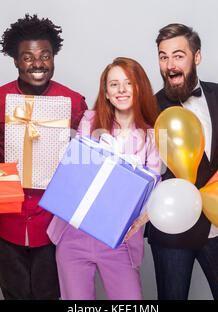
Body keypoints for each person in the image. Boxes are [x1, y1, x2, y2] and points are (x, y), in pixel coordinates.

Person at [0, 14, 88, 300]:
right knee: (14, 295)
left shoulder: (73, 102)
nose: (38, 63)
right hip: (7, 219)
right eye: (27, 57)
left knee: (49, 295)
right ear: (16, 61)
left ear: (54, 57)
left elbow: (86, 158)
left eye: (45, 55)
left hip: (53, 221)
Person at [46, 57, 160, 299]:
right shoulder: (90, 120)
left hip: (121, 240)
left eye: (128, 83)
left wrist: (138, 220)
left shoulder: (154, 135)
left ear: (140, 88)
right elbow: (78, 174)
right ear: (106, 93)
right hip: (74, 234)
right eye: (114, 84)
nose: (121, 90)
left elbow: (153, 192)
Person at [139, 23, 218, 300]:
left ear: (197, 57)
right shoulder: (148, 106)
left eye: (178, 55)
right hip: (171, 229)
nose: (170, 65)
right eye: (163, 56)